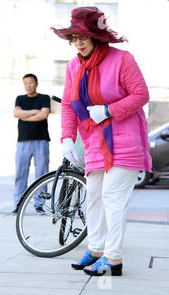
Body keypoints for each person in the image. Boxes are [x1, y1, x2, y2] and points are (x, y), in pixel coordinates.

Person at [52, 6, 151, 276]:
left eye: (83, 35)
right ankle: (96, 249)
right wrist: (67, 138)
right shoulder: (74, 66)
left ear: (97, 36)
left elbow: (141, 95)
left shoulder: (121, 59)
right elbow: (70, 106)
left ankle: (113, 258)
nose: (78, 41)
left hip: (125, 140)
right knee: (93, 198)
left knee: (112, 198)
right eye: (74, 37)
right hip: (94, 142)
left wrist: (109, 110)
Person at [12, 74, 51, 213]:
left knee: (41, 173)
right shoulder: (20, 98)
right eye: (26, 83)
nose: (28, 85)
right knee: (21, 174)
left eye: (31, 83)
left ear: (36, 83)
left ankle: (39, 204)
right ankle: (18, 204)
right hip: (23, 141)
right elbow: (16, 114)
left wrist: (25, 116)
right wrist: (35, 112)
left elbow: (44, 115)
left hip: (41, 140)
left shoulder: (44, 98)